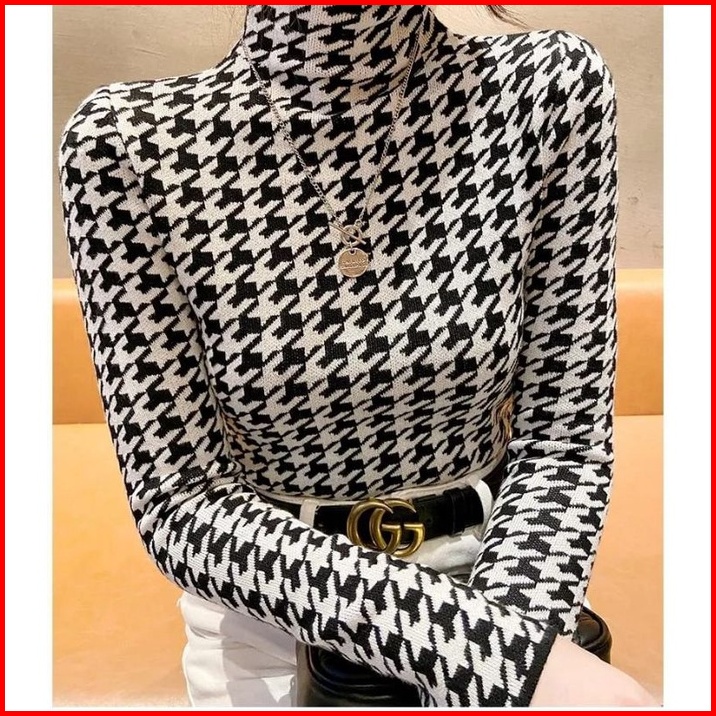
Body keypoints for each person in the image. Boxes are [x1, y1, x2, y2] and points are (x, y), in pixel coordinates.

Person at [57, 4, 658, 708]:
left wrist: (504, 651)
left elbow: (564, 439)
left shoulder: (546, 91)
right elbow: (179, 500)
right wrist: (485, 656)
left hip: (503, 573)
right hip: (270, 608)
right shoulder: (128, 146)